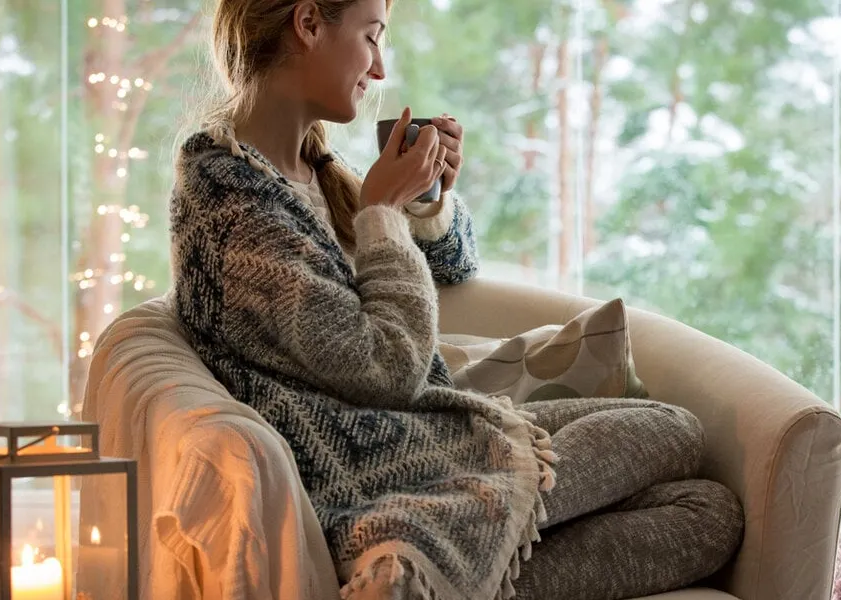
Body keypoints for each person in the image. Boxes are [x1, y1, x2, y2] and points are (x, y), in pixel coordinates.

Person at [168, 0, 745, 598]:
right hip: (371, 470)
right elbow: (384, 370)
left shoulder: (309, 171)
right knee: (669, 436)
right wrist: (381, 212)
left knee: (705, 504)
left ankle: (429, 570)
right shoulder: (229, 193)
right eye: (372, 37)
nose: (380, 69)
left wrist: (424, 202)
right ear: (309, 24)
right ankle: (411, 552)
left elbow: (453, 267)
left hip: (422, 441)